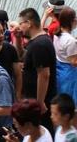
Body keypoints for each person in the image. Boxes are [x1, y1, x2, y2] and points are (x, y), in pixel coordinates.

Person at [18, 8, 56, 136]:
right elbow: (22, 56)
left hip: (40, 103)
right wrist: (18, 38)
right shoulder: (36, 42)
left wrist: (40, 103)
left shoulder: (40, 45)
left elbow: (44, 75)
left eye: (21, 23)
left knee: (42, 133)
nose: (19, 26)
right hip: (34, 100)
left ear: (29, 23)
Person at [52, 7, 77, 110]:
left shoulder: (57, 35)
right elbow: (74, 62)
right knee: (72, 109)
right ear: (72, 21)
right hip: (71, 77)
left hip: (61, 72)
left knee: (62, 106)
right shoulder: (70, 40)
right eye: (76, 18)